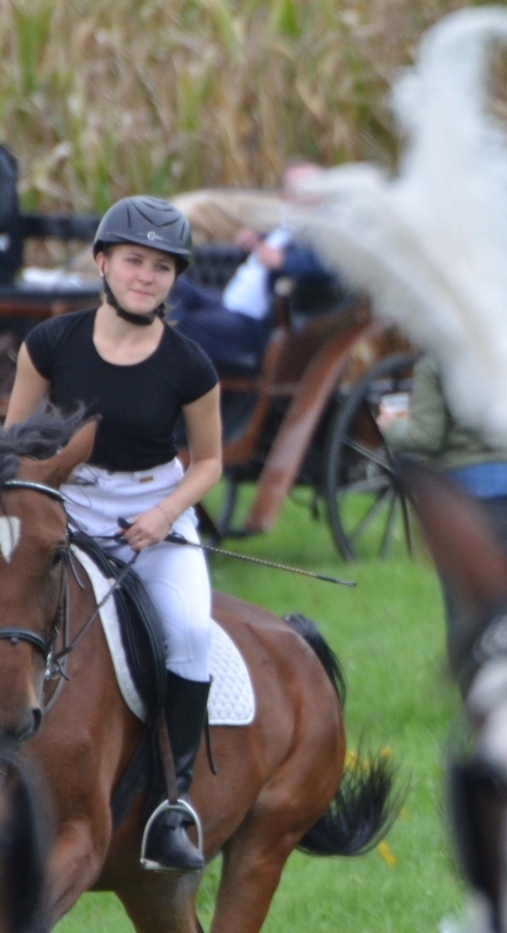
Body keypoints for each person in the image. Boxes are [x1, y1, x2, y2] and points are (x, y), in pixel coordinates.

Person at [6, 195, 221, 874]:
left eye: (162, 268)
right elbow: (15, 445)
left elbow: (210, 459)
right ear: (102, 262)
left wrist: (163, 516)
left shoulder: (189, 365)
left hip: (150, 518)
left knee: (188, 632)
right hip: (60, 508)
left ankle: (170, 807)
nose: (146, 276)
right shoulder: (52, 344)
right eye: (134, 261)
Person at [376, 354, 507, 641]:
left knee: (465, 610)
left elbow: (426, 437)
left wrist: (391, 426)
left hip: (463, 495)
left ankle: (473, 679)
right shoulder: (506, 349)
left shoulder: (435, 360)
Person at [166, 161, 340, 376]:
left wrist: (282, 262)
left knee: (181, 328)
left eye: (311, 189)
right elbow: (284, 244)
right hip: (229, 304)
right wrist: (257, 241)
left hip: (255, 324)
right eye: (298, 190)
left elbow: (333, 267)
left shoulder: (328, 229)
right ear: (285, 195)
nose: (304, 195)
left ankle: (163, 362)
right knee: (174, 284)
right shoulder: (291, 224)